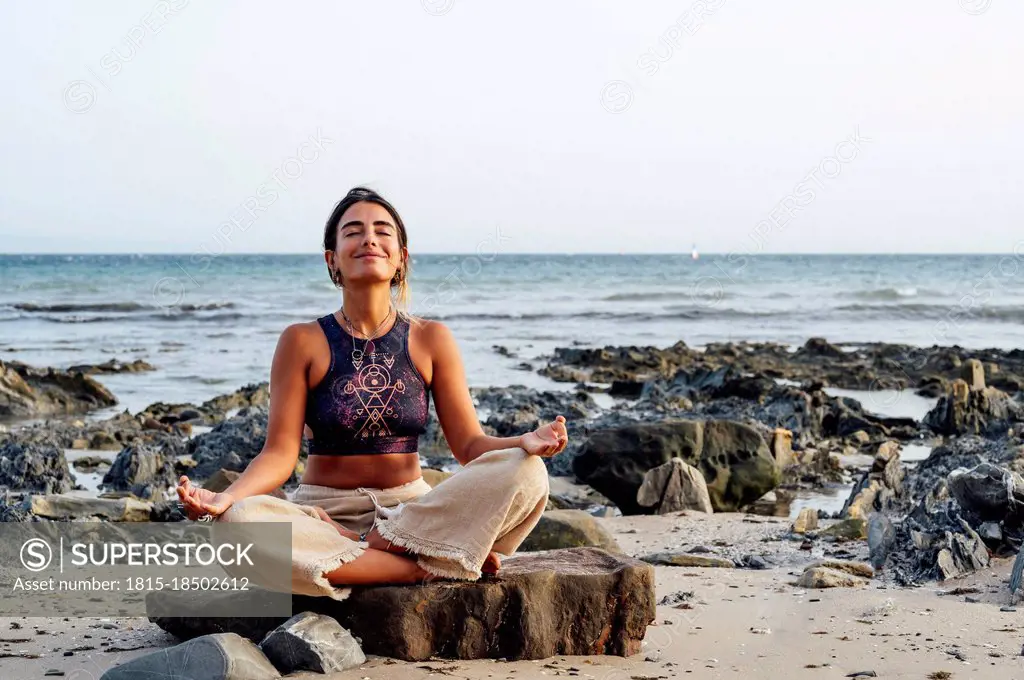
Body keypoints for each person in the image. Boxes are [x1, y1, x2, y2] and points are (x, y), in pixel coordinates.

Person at [175, 186, 568, 599]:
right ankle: (422, 567)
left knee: (528, 472)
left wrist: (523, 442)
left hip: (411, 517)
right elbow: (279, 454)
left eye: (382, 231)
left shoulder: (431, 338)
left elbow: (471, 445)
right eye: (353, 231)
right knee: (236, 527)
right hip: (323, 515)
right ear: (332, 260)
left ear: (401, 257)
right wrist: (225, 497)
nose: (369, 239)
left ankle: (384, 553)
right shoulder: (301, 340)